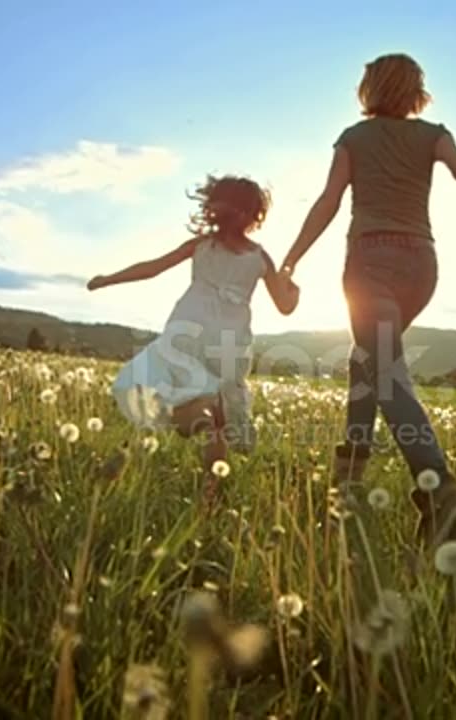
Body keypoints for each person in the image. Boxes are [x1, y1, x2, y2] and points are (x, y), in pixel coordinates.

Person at [279, 53, 456, 548]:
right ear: (416, 91)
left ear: (369, 89)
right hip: (420, 268)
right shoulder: (432, 135)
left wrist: (292, 258)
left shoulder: (353, 138)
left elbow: (329, 201)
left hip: (370, 262)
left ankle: (440, 490)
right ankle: (347, 487)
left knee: (382, 370)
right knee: (367, 362)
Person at [88, 174, 300, 503]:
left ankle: (197, 422)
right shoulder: (260, 257)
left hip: (190, 330)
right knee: (219, 417)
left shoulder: (202, 245)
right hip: (229, 342)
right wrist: (293, 290)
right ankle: (210, 495)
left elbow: (153, 268)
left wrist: (108, 279)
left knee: (190, 400)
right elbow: (285, 307)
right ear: (255, 215)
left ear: (214, 208)